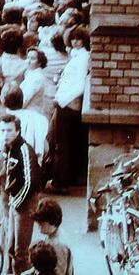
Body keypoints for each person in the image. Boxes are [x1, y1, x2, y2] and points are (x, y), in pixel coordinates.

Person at [0, 114, 42, 275]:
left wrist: (16, 202)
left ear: (18, 131)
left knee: (21, 253)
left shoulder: (24, 149)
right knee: (11, 248)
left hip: (25, 204)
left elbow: (31, 182)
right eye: (2, 130)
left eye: (9, 130)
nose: (5, 134)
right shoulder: (7, 148)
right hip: (15, 202)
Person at [49, 26, 91, 193]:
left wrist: (61, 100)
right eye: (73, 38)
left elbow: (80, 84)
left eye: (78, 38)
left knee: (63, 145)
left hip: (68, 104)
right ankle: (69, 178)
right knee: (69, 144)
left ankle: (61, 182)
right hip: (68, 103)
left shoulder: (82, 58)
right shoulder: (77, 56)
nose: (75, 41)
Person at [32, 198, 73, 275]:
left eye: (42, 223)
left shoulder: (58, 245)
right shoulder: (53, 234)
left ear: (52, 221)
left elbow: (59, 272)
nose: (39, 226)